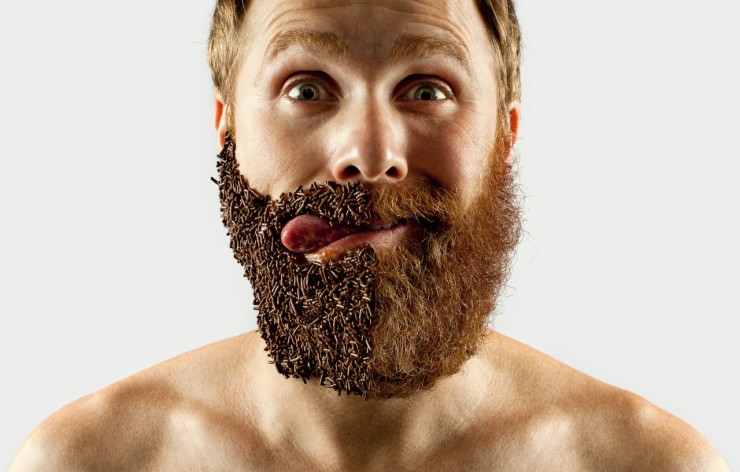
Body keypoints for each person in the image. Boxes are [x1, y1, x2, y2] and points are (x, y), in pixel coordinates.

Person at [10, 0, 730, 470]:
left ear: (505, 136)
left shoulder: (648, 465)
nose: (369, 151)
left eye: (427, 89)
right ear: (226, 128)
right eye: (306, 88)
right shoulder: (88, 462)